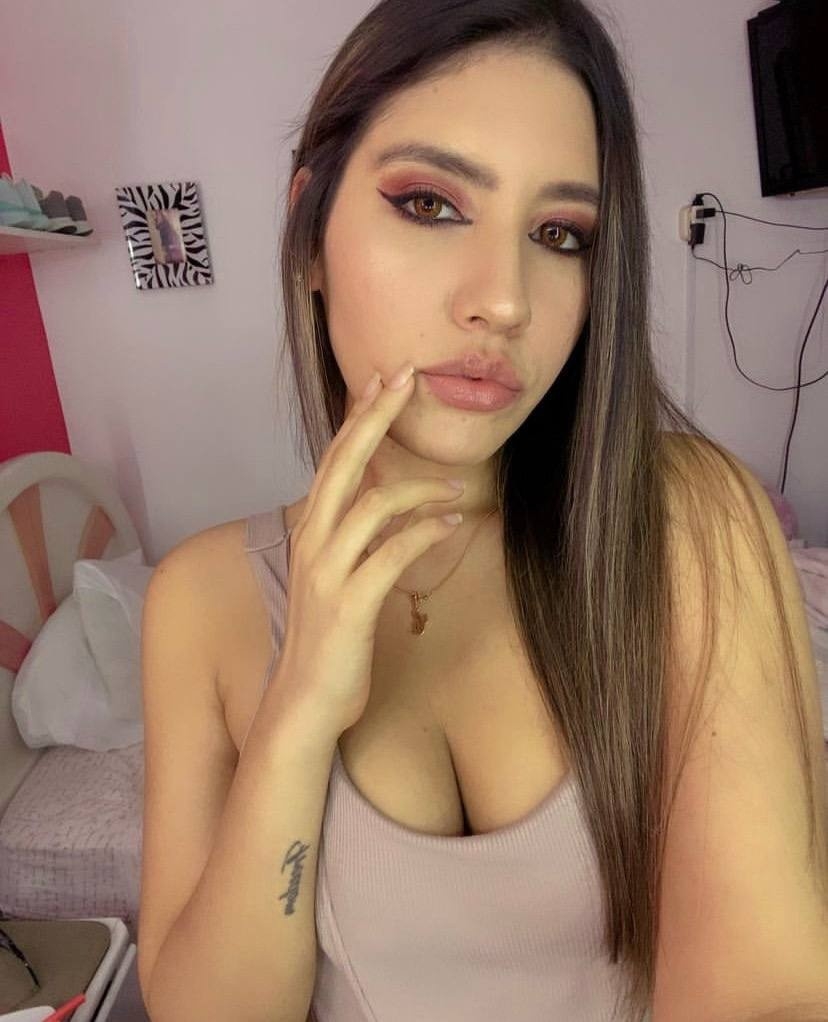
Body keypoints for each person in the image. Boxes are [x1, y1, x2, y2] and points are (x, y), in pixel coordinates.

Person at [137, 1, 828, 1020]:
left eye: (559, 234)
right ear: (308, 234)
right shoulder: (201, 599)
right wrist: (299, 709)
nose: (504, 300)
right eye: (429, 204)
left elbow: (766, 997)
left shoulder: (686, 526)